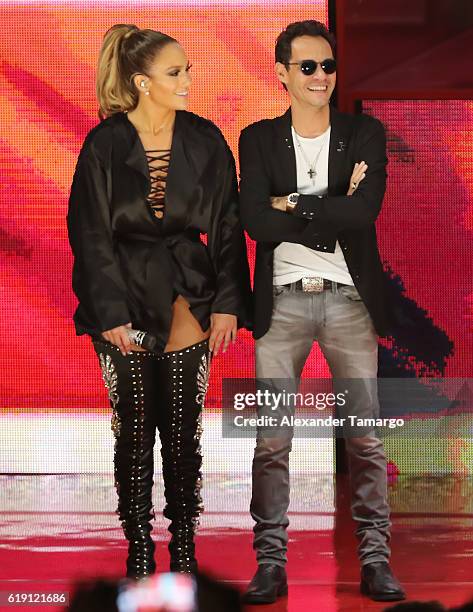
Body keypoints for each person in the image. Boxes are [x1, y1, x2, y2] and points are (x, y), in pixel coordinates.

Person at [67, 24, 251, 579]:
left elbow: (227, 224)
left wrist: (227, 303)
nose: (189, 80)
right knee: (134, 428)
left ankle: (186, 547)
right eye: (177, 73)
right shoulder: (105, 144)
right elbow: (90, 232)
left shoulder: (206, 138)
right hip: (122, 289)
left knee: (182, 430)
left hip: (189, 288)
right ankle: (140, 547)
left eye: (188, 69)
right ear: (142, 82)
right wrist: (110, 312)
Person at [238, 20, 405, 603]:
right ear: (282, 73)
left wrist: (292, 202)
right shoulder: (257, 138)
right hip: (281, 302)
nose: (321, 77)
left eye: (328, 66)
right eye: (307, 66)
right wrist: (330, 205)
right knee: (272, 440)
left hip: (350, 304)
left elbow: (364, 214)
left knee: (365, 438)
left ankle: (376, 561)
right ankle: (270, 563)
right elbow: (255, 222)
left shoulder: (364, 132)